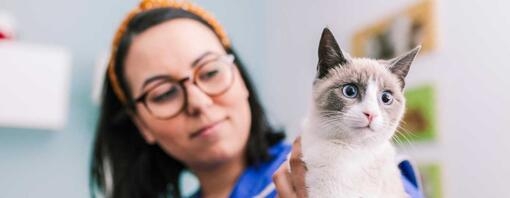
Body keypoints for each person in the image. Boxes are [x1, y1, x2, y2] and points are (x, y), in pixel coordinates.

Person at [89, 0, 423, 197]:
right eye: (163, 93)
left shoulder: (348, 162)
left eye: (209, 72)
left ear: (241, 80)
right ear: (141, 125)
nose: (199, 102)